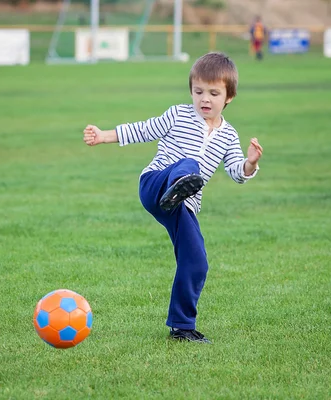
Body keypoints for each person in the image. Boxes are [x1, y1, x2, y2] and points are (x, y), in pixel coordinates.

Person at [83, 52, 263, 343]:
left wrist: (251, 162)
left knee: (197, 261)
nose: (204, 99)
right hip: (155, 184)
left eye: (213, 93)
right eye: (198, 91)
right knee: (189, 166)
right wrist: (104, 135)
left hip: (182, 205)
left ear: (229, 97)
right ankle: (179, 182)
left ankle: (182, 326)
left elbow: (236, 171)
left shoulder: (229, 135)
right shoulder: (178, 114)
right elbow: (143, 129)